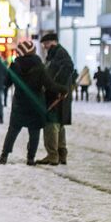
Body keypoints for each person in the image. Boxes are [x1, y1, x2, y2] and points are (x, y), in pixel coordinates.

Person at [0, 40, 68, 165]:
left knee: (13, 131)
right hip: (36, 105)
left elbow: (6, 83)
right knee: (34, 132)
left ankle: (4, 156)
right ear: (33, 51)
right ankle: (30, 158)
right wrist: (62, 89)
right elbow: (50, 85)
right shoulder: (40, 67)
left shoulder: (15, 66)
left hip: (19, 105)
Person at [36, 33, 74, 166]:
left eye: (45, 44)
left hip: (56, 96)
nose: (44, 47)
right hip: (58, 95)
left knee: (51, 124)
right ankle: (61, 154)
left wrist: (57, 87)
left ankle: (53, 155)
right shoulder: (55, 54)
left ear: (51, 42)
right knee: (59, 124)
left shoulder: (60, 53)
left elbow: (68, 67)